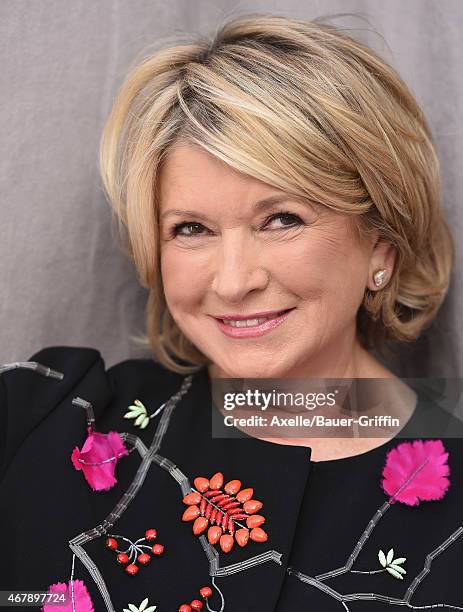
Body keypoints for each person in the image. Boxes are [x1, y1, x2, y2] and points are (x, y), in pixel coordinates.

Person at [1, 12, 462, 612]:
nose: (235, 281)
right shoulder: (46, 421)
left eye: (282, 219)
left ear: (381, 246)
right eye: (191, 228)